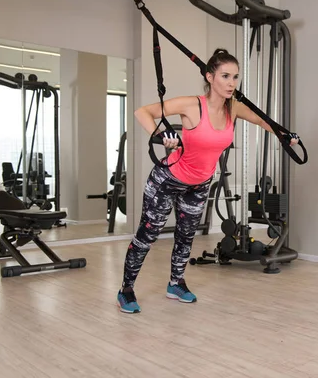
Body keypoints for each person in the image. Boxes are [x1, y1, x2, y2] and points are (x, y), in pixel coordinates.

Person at [117, 48, 299, 314]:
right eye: (225, 76)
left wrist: (284, 134)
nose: (231, 83)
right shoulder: (191, 105)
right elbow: (142, 111)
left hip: (199, 184)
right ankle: (126, 290)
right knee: (148, 236)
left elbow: (262, 120)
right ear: (210, 76)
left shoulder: (232, 108)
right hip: (167, 180)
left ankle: (175, 283)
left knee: (186, 235)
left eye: (235, 77)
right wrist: (161, 133)